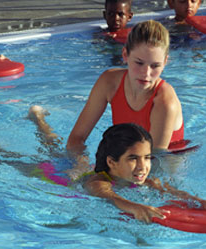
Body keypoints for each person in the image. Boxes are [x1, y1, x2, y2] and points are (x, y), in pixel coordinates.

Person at [67, 20, 185, 154]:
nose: (146, 73)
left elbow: (155, 163)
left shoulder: (164, 103)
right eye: (139, 63)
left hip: (165, 162)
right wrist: (80, 164)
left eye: (155, 66)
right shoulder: (109, 83)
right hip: (128, 157)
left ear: (165, 63)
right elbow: (76, 138)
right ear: (125, 55)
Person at [84, 123, 206, 223]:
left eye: (147, 158)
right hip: (70, 180)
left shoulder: (149, 181)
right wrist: (136, 207)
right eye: (133, 158)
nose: (143, 167)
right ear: (111, 162)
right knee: (76, 165)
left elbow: (171, 192)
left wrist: (201, 202)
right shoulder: (98, 182)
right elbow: (110, 197)